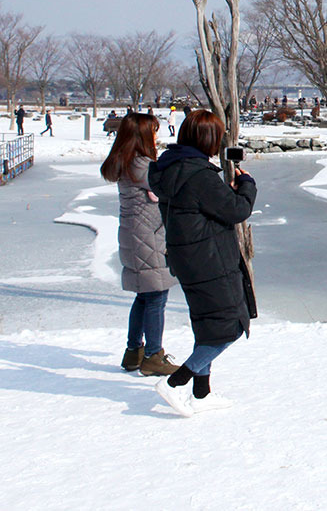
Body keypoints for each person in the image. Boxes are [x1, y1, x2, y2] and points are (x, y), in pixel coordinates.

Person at [149, 109, 257, 416]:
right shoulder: (199, 176)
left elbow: (204, 207)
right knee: (230, 326)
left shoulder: (171, 168)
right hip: (209, 260)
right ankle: (175, 382)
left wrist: (223, 193)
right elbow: (236, 210)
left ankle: (202, 392)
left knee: (207, 324)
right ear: (208, 139)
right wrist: (247, 185)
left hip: (186, 258)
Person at [101, 113, 180, 377]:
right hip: (148, 236)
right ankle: (153, 355)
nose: (157, 136)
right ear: (143, 135)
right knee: (157, 295)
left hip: (135, 235)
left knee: (145, 295)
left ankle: (134, 351)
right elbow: (171, 186)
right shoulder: (141, 164)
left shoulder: (126, 160)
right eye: (154, 131)